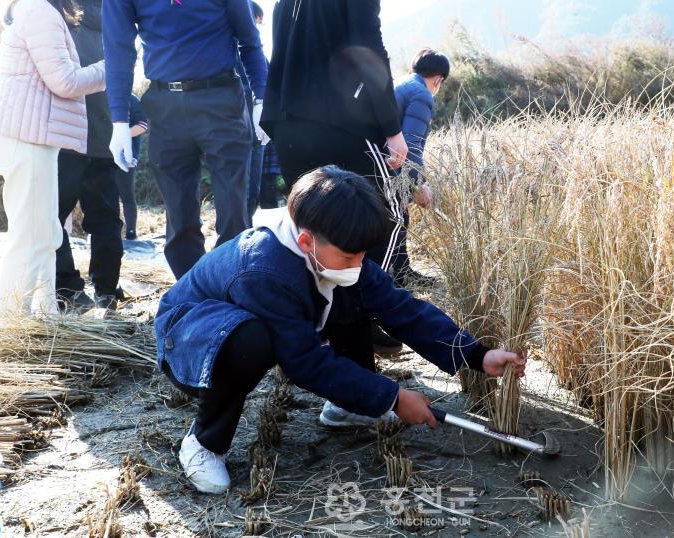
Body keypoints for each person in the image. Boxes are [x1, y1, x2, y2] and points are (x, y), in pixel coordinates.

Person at [156, 166, 526, 494]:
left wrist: (475, 354)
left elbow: (400, 308)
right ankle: (204, 442)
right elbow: (304, 362)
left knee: (352, 291)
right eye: (351, 256)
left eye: (363, 254)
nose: (359, 263)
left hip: (243, 321)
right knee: (251, 342)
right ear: (306, 242)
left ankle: (347, 406)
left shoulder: (334, 249)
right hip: (192, 339)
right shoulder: (264, 269)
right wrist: (392, 397)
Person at [261, 0, 410, 363]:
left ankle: (311, 344)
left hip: (288, 125)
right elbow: (368, 49)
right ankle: (366, 325)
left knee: (312, 238)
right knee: (385, 221)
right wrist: (392, 127)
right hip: (342, 124)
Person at [102, 0, 268, 279]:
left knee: (233, 212)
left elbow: (249, 41)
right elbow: (118, 50)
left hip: (221, 99)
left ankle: (232, 288)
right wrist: (119, 120)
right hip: (164, 105)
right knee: (179, 217)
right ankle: (193, 294)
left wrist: (262, 97)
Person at [0, 0, 105, 317]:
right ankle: (11, 319)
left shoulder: (31, 10)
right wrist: (111, 67)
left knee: (46, 234)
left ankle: (46, 315)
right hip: (27, 139)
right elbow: (65, 82)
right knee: (31, 237)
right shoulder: (39, 12)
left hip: (29, 137)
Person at [54, 0, 126, 314]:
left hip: (65, 138)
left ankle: (68, 289)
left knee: (53, 218)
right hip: (102, 139)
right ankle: (106, 291)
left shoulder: (60, 17)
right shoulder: (114, 21)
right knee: (107, 221)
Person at [389, 48, 450, 289]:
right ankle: (401, 277)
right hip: (387, 164)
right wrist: (417, 186)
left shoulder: (403, 83)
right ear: (439, 79)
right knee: (397, 216)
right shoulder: (422, 94)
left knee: (399, 215)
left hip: (373, 157)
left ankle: (402, 273)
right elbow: (410, 146)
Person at [244, 1, 269, 220]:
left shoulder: (261, 58)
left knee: (253, 190)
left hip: (257, 135)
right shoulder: (227, 53)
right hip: (232, 130)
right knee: (236, 191)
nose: (256, 28)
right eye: (255, 21)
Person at [115, 93, 148, 242]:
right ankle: (113, 231)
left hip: (126, 157)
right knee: (108, 196)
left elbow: (143, 125)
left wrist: (121, 134)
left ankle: (131, 232)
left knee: (126, 195)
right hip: (103, 155)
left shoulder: (131, 99)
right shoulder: (100, 96)